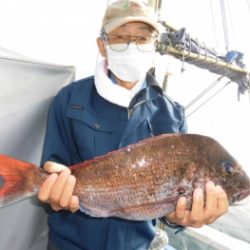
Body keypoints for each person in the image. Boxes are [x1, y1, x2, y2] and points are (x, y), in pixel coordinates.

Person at [38, 1, 229, 249]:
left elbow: (170, 205)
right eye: (120, 37)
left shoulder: (174, 115)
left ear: (154, 45)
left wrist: (180, 217)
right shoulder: (68, 99)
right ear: (102, 45)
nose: (132, 46)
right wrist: (52, 193)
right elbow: (52, 172)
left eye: (143, 39)